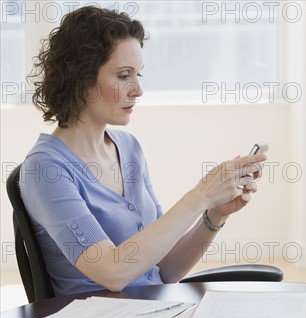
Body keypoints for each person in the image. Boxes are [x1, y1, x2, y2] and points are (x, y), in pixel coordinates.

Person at [21, 6, 267, 295]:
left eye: (138, 75)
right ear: (80, 78)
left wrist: (214, 214)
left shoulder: (129, 148)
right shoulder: (45, 169)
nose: (137, 90)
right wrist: (200, 195)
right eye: (124, 75)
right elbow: (112, 272)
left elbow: (165, 270)